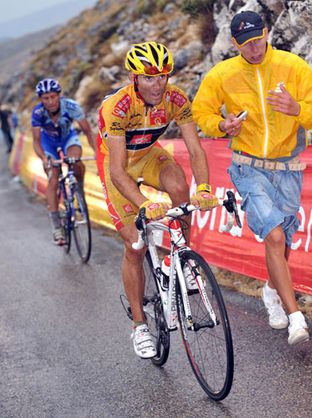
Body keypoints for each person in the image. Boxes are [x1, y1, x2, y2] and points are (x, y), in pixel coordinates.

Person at [192, 10, 312, 346]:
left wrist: (299, 111)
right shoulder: (223, 74)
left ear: (267, 33)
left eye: (259, 39)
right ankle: (296, 318)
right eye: (247, 44)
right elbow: (201, 111)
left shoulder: (292, 66)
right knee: (275, 237)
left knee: (286, 239)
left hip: (288, 167)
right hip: (248, 166)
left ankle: (271, 290)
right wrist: (221, 125)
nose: (255, 49)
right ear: (234, 43)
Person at [96, 41, 219, 359]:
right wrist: (144, 203)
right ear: (133, 78)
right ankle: (139, 326)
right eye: (149, 78)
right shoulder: (118, 107)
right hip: (118, 166)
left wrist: (203, 188)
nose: (158, 84)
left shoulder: (177, 98)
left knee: (180, 188)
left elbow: (195, 150)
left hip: (149, 156)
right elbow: (119, 171)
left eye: (163, 76)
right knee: (135, 245)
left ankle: (174, 261)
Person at [31, 78, 96, 244]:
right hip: (48, 144)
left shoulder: (72, 106)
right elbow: (36, 141)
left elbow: (88, 131)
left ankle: (78, 190)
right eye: (46, 98)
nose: (51, 101)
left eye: (53, 97)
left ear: (59, 95)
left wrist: (98, 152)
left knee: (75, 161)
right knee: (53, 177)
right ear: (41, 100)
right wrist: (45, 159)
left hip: (68, 138)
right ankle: (56, 227)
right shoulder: (38, 113)